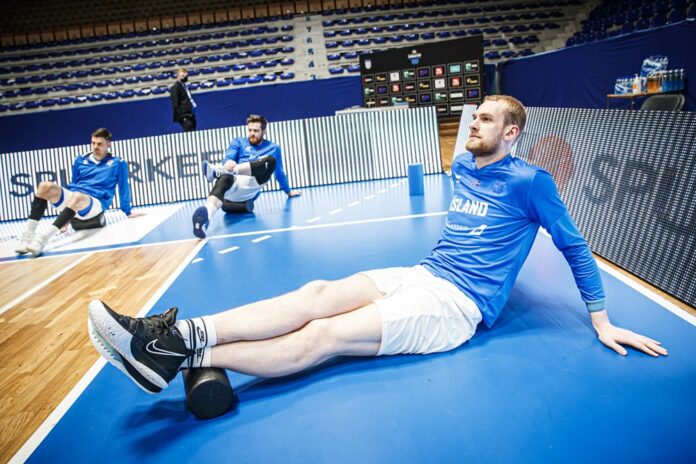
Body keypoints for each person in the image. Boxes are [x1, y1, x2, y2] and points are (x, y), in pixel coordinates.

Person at [87, 95, 667, 395]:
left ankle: (176, 357)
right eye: (474, 118)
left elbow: (576, 248)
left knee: (326, 334)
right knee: (317, 294)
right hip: (425, 272)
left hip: (457, 306)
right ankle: (180, 334)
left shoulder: (532, 183)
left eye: (486, 120)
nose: (472, 125)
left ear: (511, 133)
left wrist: (601, 321)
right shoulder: (465, 165)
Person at [15, 128, 141, 257]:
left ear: (108, 144)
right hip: (77, 199)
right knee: (44, 186)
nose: (95, 147)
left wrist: (127, 211)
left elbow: (124, 187)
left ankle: (41, 241)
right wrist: (66, 218)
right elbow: (74, 184)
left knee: (78, 196)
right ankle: (27, 238)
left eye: (99, 144)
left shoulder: (118, 163)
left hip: (96, 203)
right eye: (93, 143)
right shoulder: (80, 160)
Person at [192, 114, 301, 239]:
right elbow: (228, 157)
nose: (252, 133)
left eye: (256, 131)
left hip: (252, 185)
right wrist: (228, 163)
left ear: (264, 131)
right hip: (234, 183)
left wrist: (288, 191)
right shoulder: (239, 142)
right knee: (225, 178)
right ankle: (205, 217)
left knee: (270, 161)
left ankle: (219, 171)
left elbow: (279, 173)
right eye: (250, 130)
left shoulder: (273, 148)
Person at [170, 68, 197, 132]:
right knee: (189, 132)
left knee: (194, 133)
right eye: (183, 76)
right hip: (185, 116)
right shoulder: (175, 87)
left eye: (186, 76)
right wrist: (182, 118)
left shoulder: (184, 86)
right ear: (178, 76)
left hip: (190, 114)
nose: (184, 77)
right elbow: (175, 104)